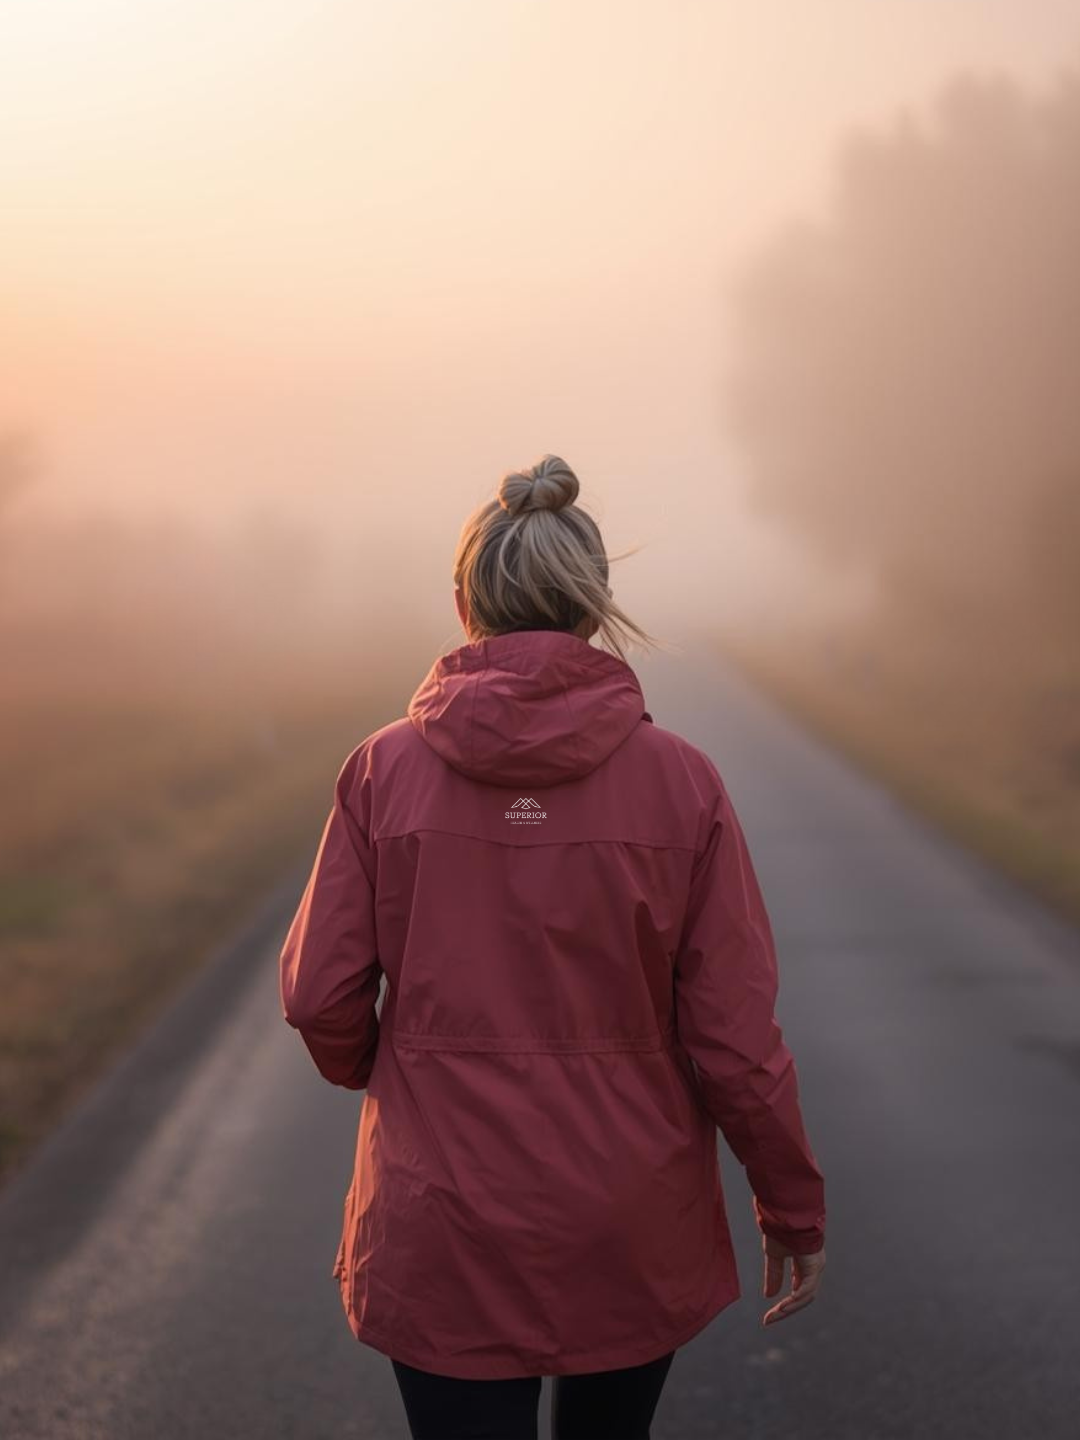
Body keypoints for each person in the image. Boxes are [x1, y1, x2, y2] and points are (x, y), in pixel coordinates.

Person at [278, 455, 827, 1440]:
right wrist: (790, 1206)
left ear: (462, 602)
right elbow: (735, 1039)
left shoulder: (381, 773)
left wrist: (395, 1066)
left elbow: (319, 995)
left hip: (438, 1207)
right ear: (596, 606)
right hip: (628, 1214)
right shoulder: (683, 783)